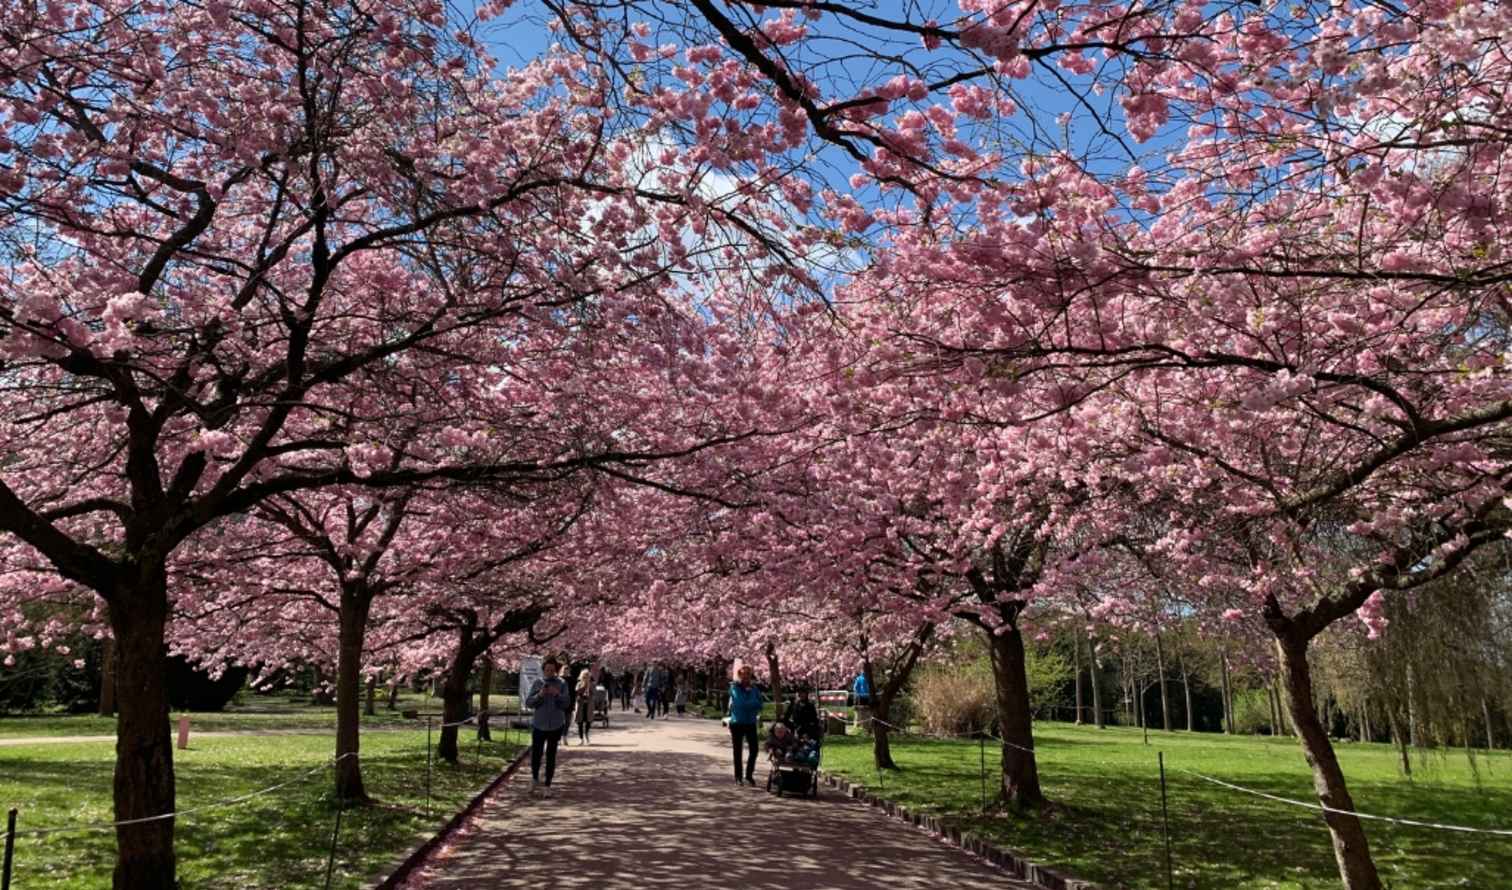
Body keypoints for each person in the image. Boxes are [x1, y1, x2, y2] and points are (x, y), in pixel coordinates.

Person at [525, 656, 571, 796]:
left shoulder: (562, 683)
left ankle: (547, 785)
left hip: (556, 725)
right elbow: (529, 703)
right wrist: (540, 694)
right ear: (543, 670)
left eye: (552, 670)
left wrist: (557, 694)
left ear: (556, 670)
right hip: (539, 724)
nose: (549, 672)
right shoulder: (538, 682)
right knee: (536, 754)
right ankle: (534, 778)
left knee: (551, 755)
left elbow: (567, 703)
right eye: (547, 670)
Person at [728, 664, 764, 786]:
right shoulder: (734, 687)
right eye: (744, 674)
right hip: (737, 722)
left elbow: (760, 704)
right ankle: (738, 777)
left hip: (750, 722)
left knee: (754, 749)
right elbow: (739, 703)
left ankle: (749, 775)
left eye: (748, 674)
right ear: (739, 675)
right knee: (737, 751)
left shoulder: (754, 689)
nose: (746, 677)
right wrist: (752, 702)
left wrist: (752, 703)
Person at [574, 670, 594, 745]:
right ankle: (581, 739)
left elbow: (594, 693)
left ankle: (587, 735)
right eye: (584, 677)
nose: (586, 678)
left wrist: (589, 688)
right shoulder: (579, 684)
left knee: (588, 721)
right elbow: (576, 692)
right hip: (580, 705)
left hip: (588, 705)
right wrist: (583, 687)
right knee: (580, 722)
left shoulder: (592, 684)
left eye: (588, 676)